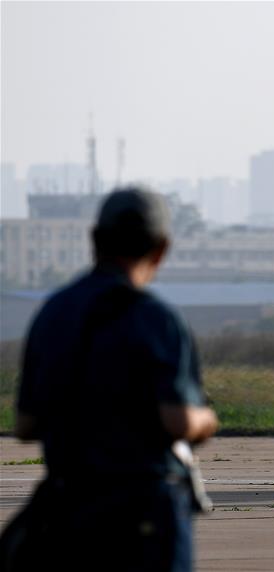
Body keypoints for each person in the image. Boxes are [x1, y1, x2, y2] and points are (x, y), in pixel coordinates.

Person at [5, 186, 218, 572]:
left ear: (94, 240)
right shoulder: (157, 318)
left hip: (69, 506)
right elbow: (178, 422)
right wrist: (206, 419)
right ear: (161, 249)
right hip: (144, 515)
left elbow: (26, 424)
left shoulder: (54, 312)